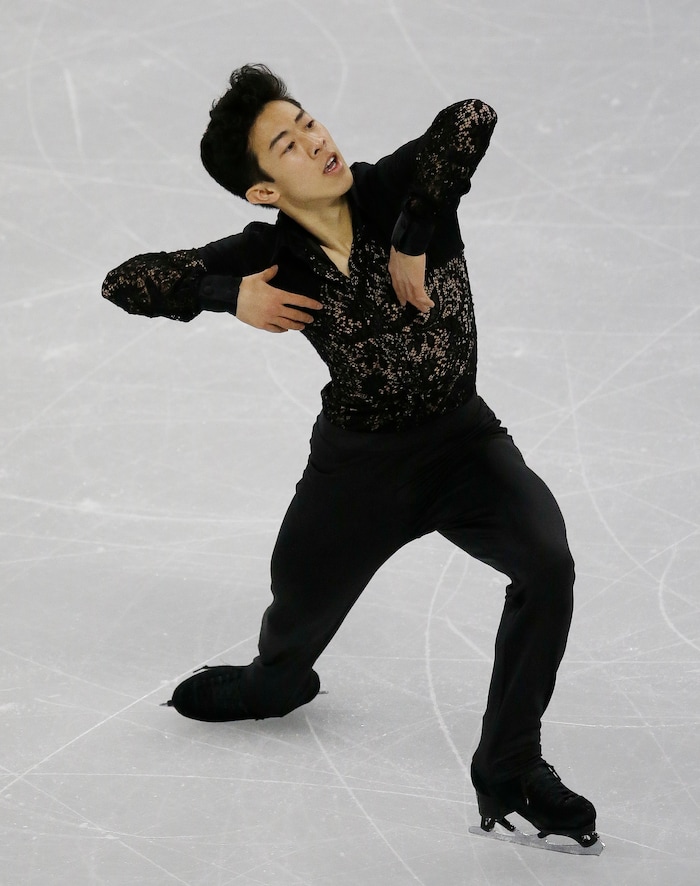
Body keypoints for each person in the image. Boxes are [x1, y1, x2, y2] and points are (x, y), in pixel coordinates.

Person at [102, 64, 601, 852]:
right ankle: (275, 686)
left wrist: (412, 237)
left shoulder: (399, 188)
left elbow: (471, 116)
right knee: (292, 616)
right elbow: (125, 281)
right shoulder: (268, 254)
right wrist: (228, 295)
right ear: (264, 190)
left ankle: (509, 766)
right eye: (287, 145)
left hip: (464, 444)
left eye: (308, 122)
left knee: (548, 562)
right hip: (358, 474)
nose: (315, 141)